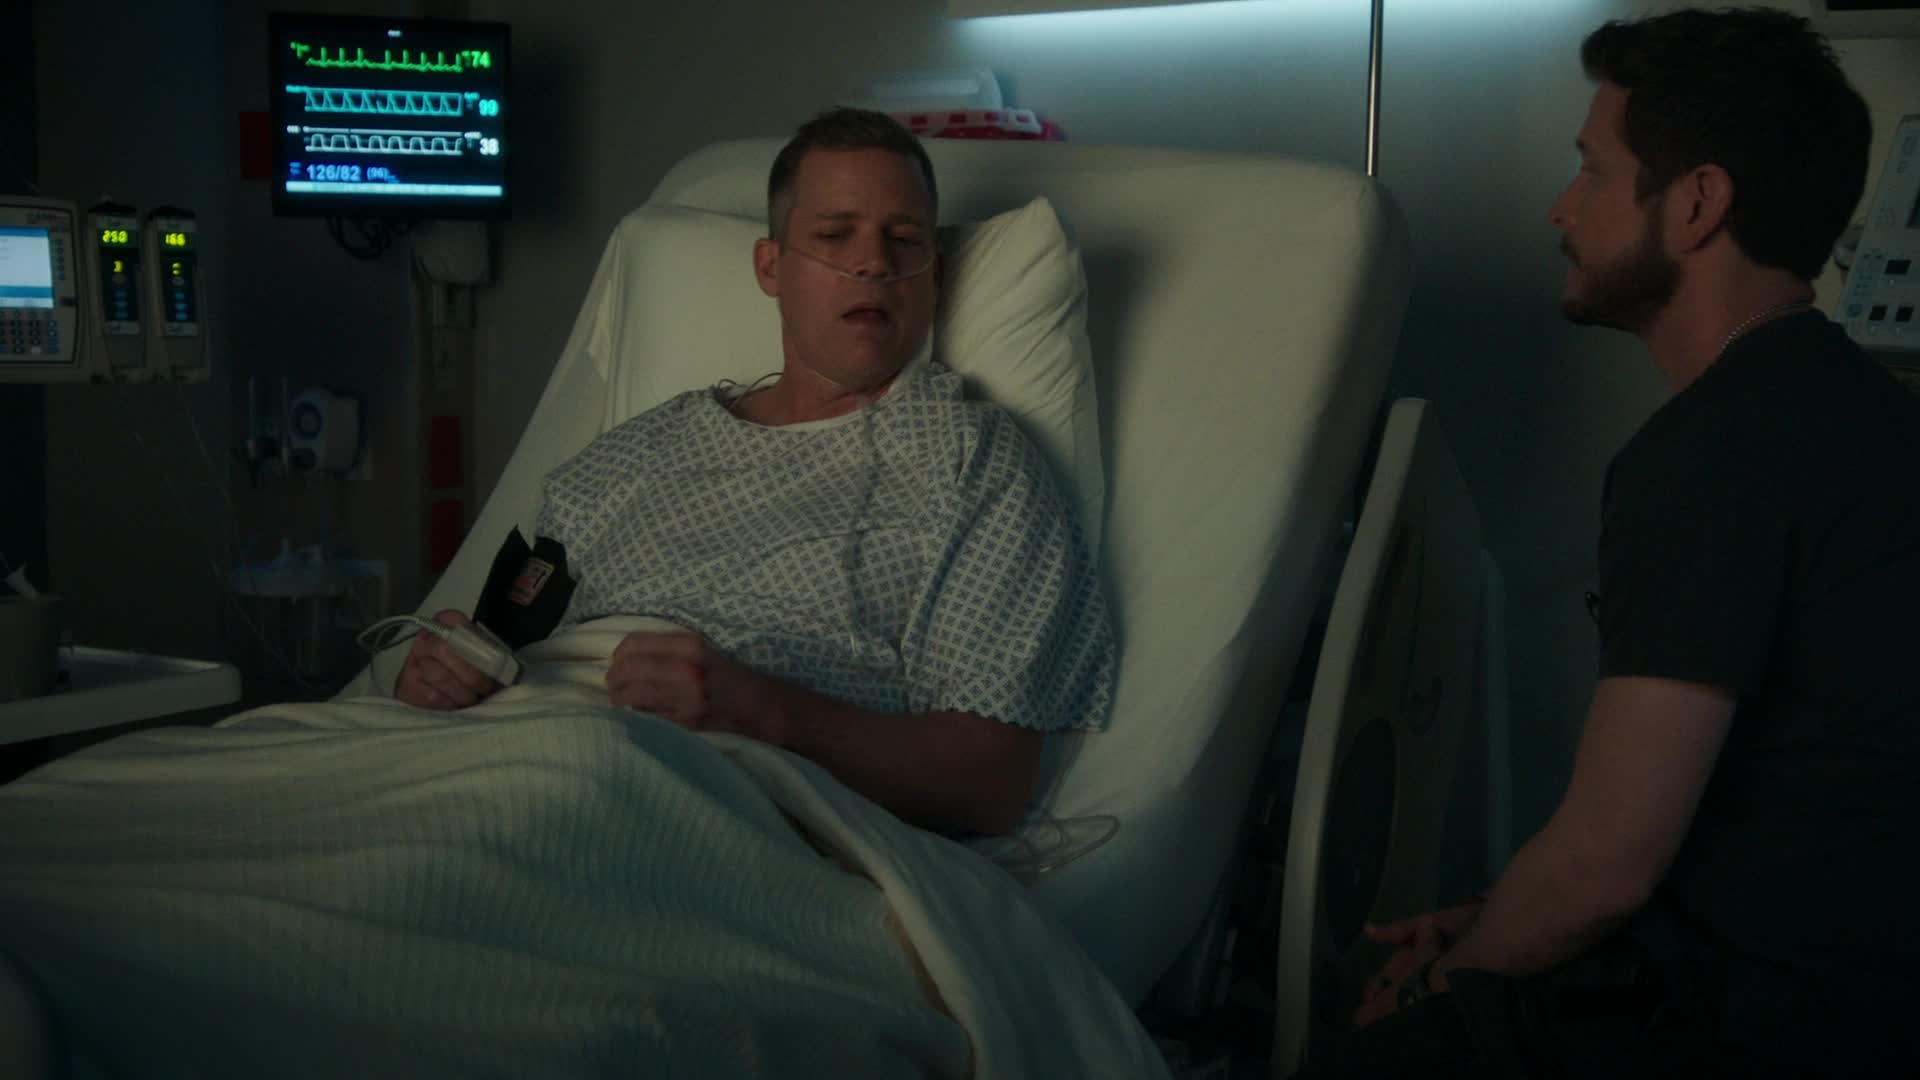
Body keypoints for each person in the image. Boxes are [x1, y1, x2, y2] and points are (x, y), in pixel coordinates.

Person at [1297, 9, 1918, 1076]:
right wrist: (1495, 921)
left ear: (1697, 203)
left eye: (1592, 170)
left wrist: (1446, 985)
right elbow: (1776, 799)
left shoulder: (1709, 457)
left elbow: (1606, 867)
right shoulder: (1869, 417)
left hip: (1757, 1018)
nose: (1563, 205)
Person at [390, 108, 1113, 840]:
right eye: (835, 235)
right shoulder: (628, 457)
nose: (873, 262)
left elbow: (987, 785)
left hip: (678, 801)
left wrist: (765, 712)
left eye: (904, 239)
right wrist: (443, 680)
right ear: (772, 267)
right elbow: (501, 648)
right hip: (505, 754)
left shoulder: (971, 460)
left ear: (936, 278)